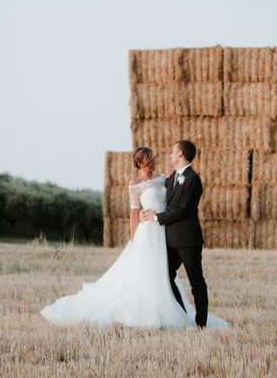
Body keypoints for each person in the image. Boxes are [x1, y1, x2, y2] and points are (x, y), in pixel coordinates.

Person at [40, 145, 227, 329]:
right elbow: (134, 213)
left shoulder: (166, 179)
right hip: (150, 232)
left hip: (167, 232)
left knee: (172, 276)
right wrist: (134, 239)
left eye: (154, 158)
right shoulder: (136, 184)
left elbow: (180, 205)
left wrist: (157, 216)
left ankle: (191, 319)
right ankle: (175, 313)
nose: (155, 161)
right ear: (140, 163)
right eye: (149, 160)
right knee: (160, 274)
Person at [140, 140, 209, 328]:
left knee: (196, 282)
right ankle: (183, 315)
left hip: (187, 240)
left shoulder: (193, 179)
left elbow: (183, 210)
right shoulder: (171, 178)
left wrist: (156, 217)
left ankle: (201, 324)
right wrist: (144, 211)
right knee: (166, 277)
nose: (169, 155)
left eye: (172, 152)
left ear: (180, 154)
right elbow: (157, 196)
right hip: (170, 240)